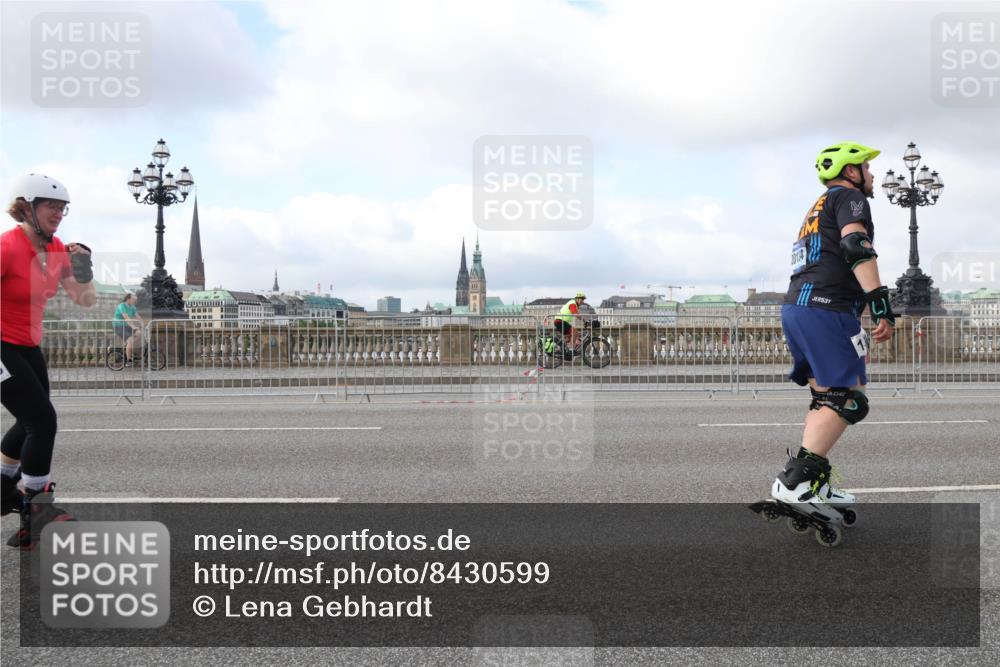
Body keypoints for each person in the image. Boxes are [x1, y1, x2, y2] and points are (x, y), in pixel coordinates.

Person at [770, 142, 896, 526]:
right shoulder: (849, 198)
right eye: (867, 168)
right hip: (827, 309)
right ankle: (795, 482)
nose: (872, 175)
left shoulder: (817, 206)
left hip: (799, 307)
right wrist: (879, 300)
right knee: (848, 401)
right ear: (852, 172)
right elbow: (855, 244)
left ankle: (815, 482)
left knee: (825, 398)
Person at [1, 173, 95, 549]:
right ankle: (36, 511)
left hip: (27, 345)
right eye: (51, 206)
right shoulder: (7, 248)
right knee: (43, 420)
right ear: (27, 207)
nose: (59, 214)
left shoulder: (57, 250)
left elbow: (84, 300)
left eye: (62, 208)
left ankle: (5, 488)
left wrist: (83, 266)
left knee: (31, 420)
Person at [113, 293, 143, 362]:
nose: (135, 301)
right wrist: (133, 326)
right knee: (130, 340)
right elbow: (126, 317)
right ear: (128, 299)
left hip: (126, 326)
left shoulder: (132, 307)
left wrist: (143, 324)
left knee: (139, 333)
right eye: (134, 299)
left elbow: (137, 316)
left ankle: (126, 347)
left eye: (136, 300)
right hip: (118, 326)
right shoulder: (122, 306)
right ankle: (128, 360)